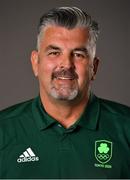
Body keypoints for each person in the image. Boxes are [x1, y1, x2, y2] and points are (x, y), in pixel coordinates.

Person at [0, 7, 130, 179]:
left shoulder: (126, 128)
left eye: (78, 54)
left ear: (94, 67)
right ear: (35, 62)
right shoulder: (3, 130)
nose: (66, 64)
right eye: (54, 52)